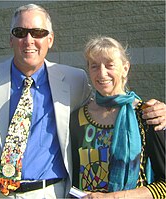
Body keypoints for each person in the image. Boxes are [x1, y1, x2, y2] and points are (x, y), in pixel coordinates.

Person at [0, 4, 166, 198]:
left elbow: (111, 101)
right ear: (10, 39)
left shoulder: (73, 80)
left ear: (50, 40)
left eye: (38, 33)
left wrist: (160, 110)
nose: (29, 40)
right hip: (1, 194)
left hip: (53, 193)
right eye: (20, 32)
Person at [70, 36, 166, 199]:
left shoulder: (147, 115)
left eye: (109, 65)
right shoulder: (77, 118)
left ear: (125, 68)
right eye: (94, 66)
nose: (102, 73)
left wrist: (113, 197)